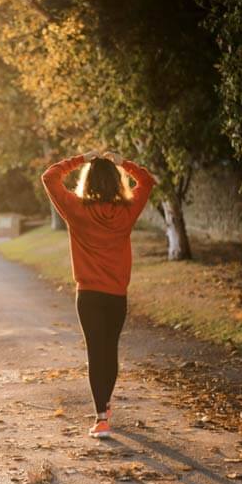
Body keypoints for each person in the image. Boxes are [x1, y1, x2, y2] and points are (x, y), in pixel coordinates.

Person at [41, 150, 156, 438]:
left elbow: (50, 177)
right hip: (116, 295)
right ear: (117, 182)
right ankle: (105, 405)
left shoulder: (76, 210)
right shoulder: (127, 212)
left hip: (89, 295)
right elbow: (147, 181)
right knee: (110, 350)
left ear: (87, 182)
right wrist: (122, 163)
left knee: (96, 352)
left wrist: (81, 158)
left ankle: (101, 417)